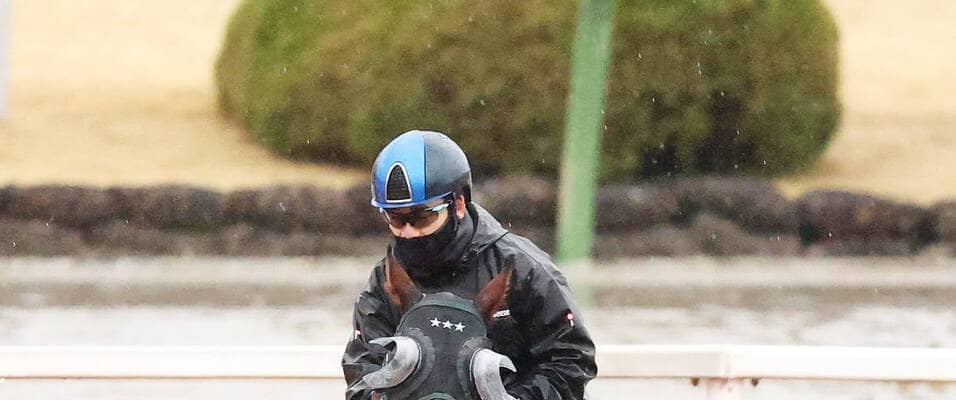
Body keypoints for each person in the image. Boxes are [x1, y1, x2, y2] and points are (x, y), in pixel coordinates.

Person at [342, 130, 597, 400]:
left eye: (422, 217)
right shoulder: (385, 278)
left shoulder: (526, 269)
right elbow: (363, 366)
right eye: (394, 218)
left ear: (459, 204)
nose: (408, 231)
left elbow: (572, 360)